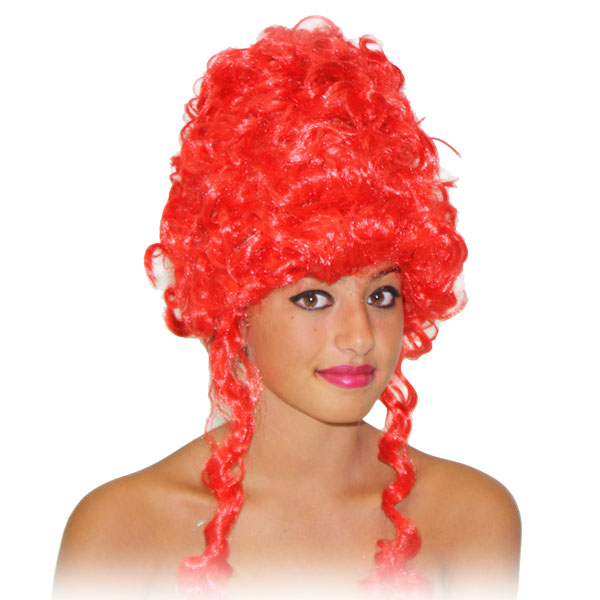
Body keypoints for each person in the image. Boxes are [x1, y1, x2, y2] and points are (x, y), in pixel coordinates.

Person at [52, 16, 521, 600]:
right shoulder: (123, 534)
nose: (359, 335)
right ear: (235, 304)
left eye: (381, 295)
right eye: (313, 297)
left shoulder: (468, 519)